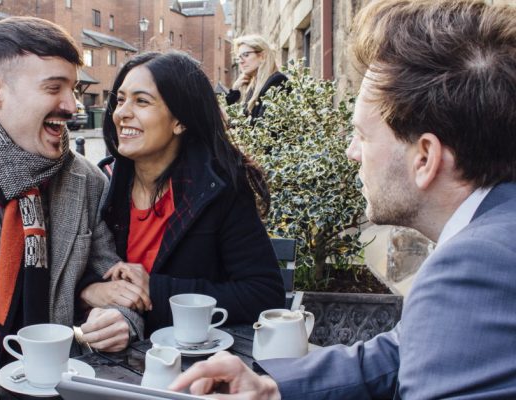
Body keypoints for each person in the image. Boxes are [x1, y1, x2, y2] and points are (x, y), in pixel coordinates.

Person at [170, 0, 516, 398]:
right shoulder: (494, 234)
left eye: (363, 136)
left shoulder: (475, 267)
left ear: (425, 158)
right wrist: (273, 389)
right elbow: (402, 352)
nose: (351, 151)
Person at [0, 16, 143, 389]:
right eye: (54, 88)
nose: (72, 106)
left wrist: (121, 320)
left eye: (73, 88)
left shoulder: (87, 181)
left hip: (53, 385)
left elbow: (113, 277)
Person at [82, 51, 285, 336]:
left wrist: (156, 289)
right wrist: (91, 290)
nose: (122, 113)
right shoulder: (101, 184)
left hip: (193, 360)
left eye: (141, 101)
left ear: (180, 121)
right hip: (107, 362)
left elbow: (264, 294)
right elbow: (72, 270)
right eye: (120, 99)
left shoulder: (217, 191)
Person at [225, 34, 288, 123]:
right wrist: (234, 90)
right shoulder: (253, 87)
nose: (241, 61)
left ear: (262, 56)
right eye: (239, 57)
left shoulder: (277, 81)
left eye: (246, 55)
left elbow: (264, 126)